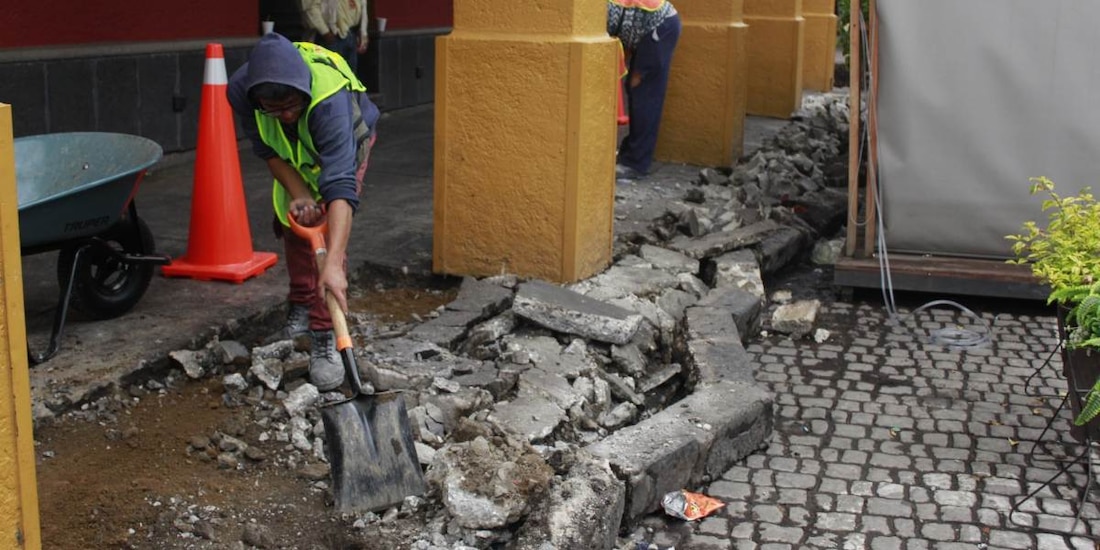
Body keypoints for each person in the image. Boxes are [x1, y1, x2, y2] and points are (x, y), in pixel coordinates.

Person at [228, 33, 380, 391]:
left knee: (328, 237)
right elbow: (266, 150)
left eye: (292, 104)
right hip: (295, 155)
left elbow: (340, 184)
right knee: (296, 224)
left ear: (304, 90)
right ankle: (300, 302)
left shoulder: (329, 104)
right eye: (274, 108)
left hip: (347, 143)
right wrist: (298, 193)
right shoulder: (241, 92)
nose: (286, 114)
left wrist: (333, 263)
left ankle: (325, 331)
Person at [607, 0, 681, 182]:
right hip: (655, 26)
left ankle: (636, 163)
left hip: (659, 27)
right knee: (636, 91)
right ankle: (631, 153)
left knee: (643, 92)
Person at [299, 0, 370, 74]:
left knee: (350, 78)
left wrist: (363, 32)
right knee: (330, 77)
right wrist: (325, 32)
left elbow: (362, 5)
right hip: (329, 36)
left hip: (351, 34)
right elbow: (310, 7)